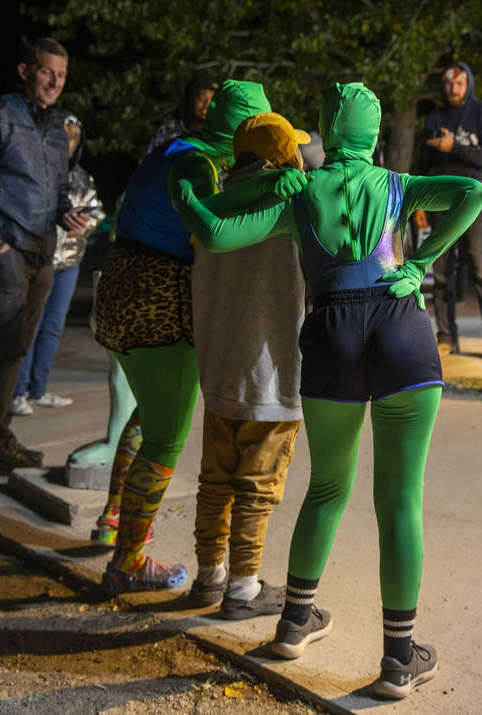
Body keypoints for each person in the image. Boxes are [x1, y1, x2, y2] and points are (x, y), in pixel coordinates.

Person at [173, 81, 482, 700]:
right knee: (400, 502)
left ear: (323, 127)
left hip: (332, 331)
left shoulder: (301, 191)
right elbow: (474, 192)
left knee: (325, 488)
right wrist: (421, 265)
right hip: (402, 331)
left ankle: (294, 621)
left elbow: (213, 233)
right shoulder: (396, 185)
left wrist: (186, 190)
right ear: (371, 135)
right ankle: (400, 658)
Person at [92, 79, 294, 593]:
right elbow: (214, 229)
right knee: (165, 438)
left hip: (123, 291)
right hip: (160, 303)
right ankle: (129, 563)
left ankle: (116, 520)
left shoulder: (175, 148)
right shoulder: (197, 167)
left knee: (146, 417)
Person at [187, 112, 311, 619]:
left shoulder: (213, 206)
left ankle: (208, 577)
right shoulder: (291, 205)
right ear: (281, 156)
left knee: (215, 478)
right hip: (271, 370)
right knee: (258, 484)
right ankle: (243, 588)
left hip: (218, 369)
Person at [0, 37, 90, 474]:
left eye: (62, 75)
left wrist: (66, 212)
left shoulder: (56, 128)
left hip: (42, 250)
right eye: (47, 71)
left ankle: (0, 438)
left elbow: (60, 187)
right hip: (8, 248)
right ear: (25, 71)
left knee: (17, 349)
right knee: (6, 346)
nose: (55, 81)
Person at [12, 113, 104, 416]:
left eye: (72, 138)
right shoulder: (37, 170)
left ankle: (38, 389)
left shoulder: (81, 176)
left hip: (70, 261)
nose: (67, 143)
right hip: (42, 259)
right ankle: (17, 392)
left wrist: (85, 225)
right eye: (62, 136)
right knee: (31, 325)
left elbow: (96, 212)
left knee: (52, 327)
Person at [419, 61, 482, 360]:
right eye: (447, 83)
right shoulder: (435, 117)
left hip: (474, 201)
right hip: (440, 202)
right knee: (442, 273)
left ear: (469, 83)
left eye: (458, 83)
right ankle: (446, 336)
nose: (452, 88)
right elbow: (425, 162)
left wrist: (453, 146)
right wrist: (418, 203)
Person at [146, 74, 219, 154]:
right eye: (201, 98)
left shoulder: (219, 135)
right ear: (190, 100)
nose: (206, 105)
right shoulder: (169, 129)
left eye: (212, 99)